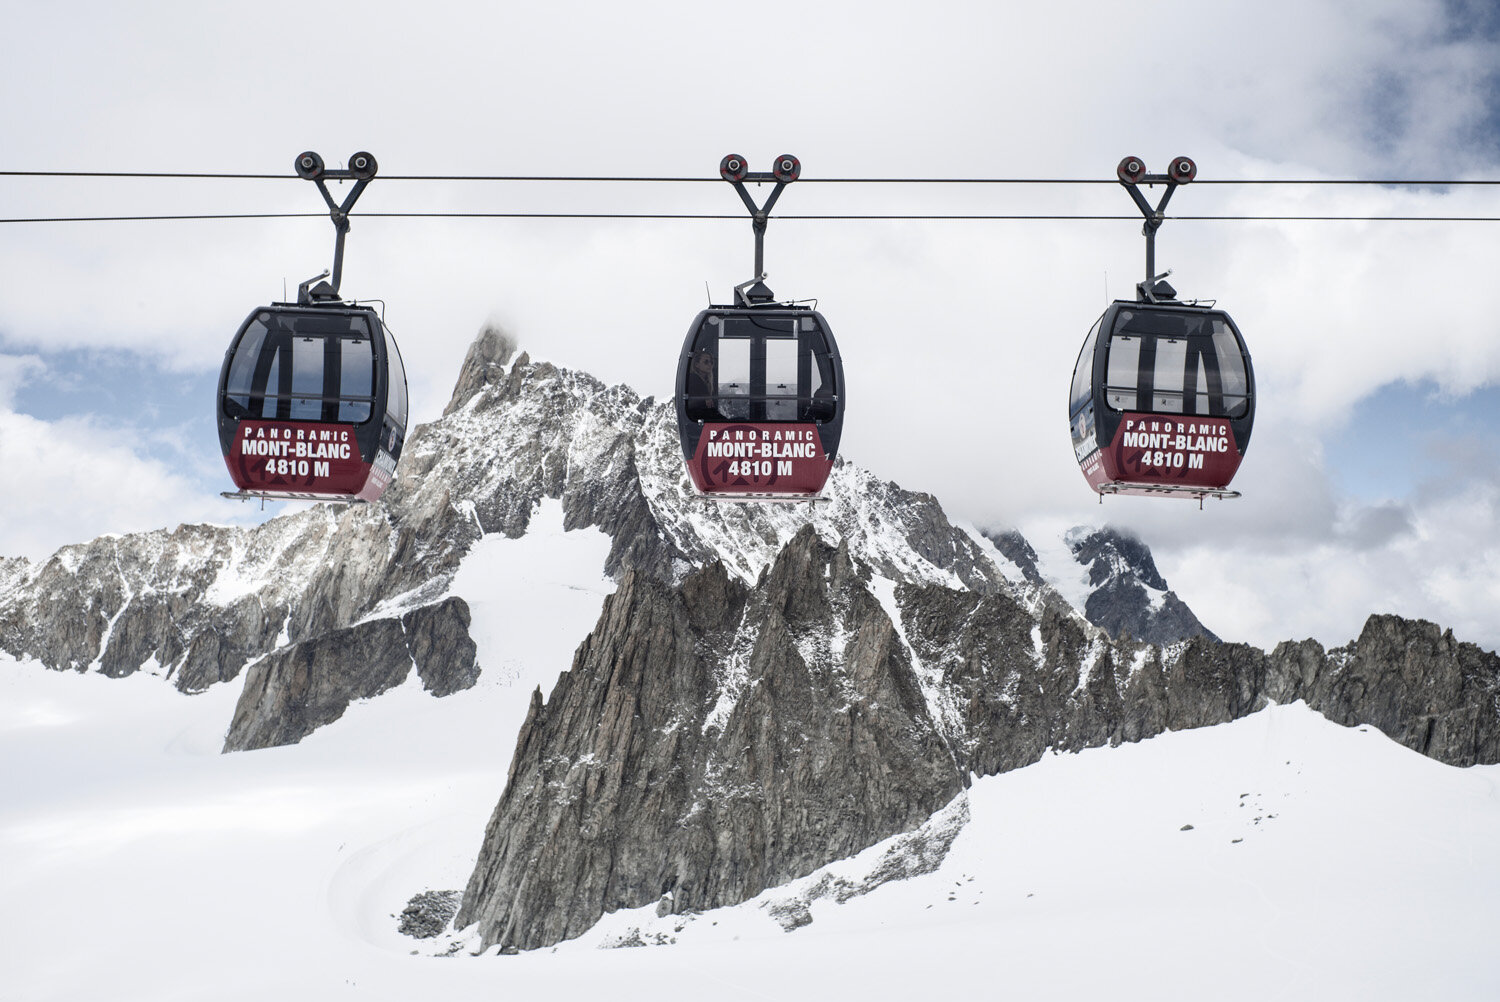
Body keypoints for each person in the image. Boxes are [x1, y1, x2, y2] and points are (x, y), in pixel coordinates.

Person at [685, 350, 716, 421]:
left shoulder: (706, 382)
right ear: (697, 365)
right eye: (706, 362)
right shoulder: (694, 379)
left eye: (711, 362)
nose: (710, 364)